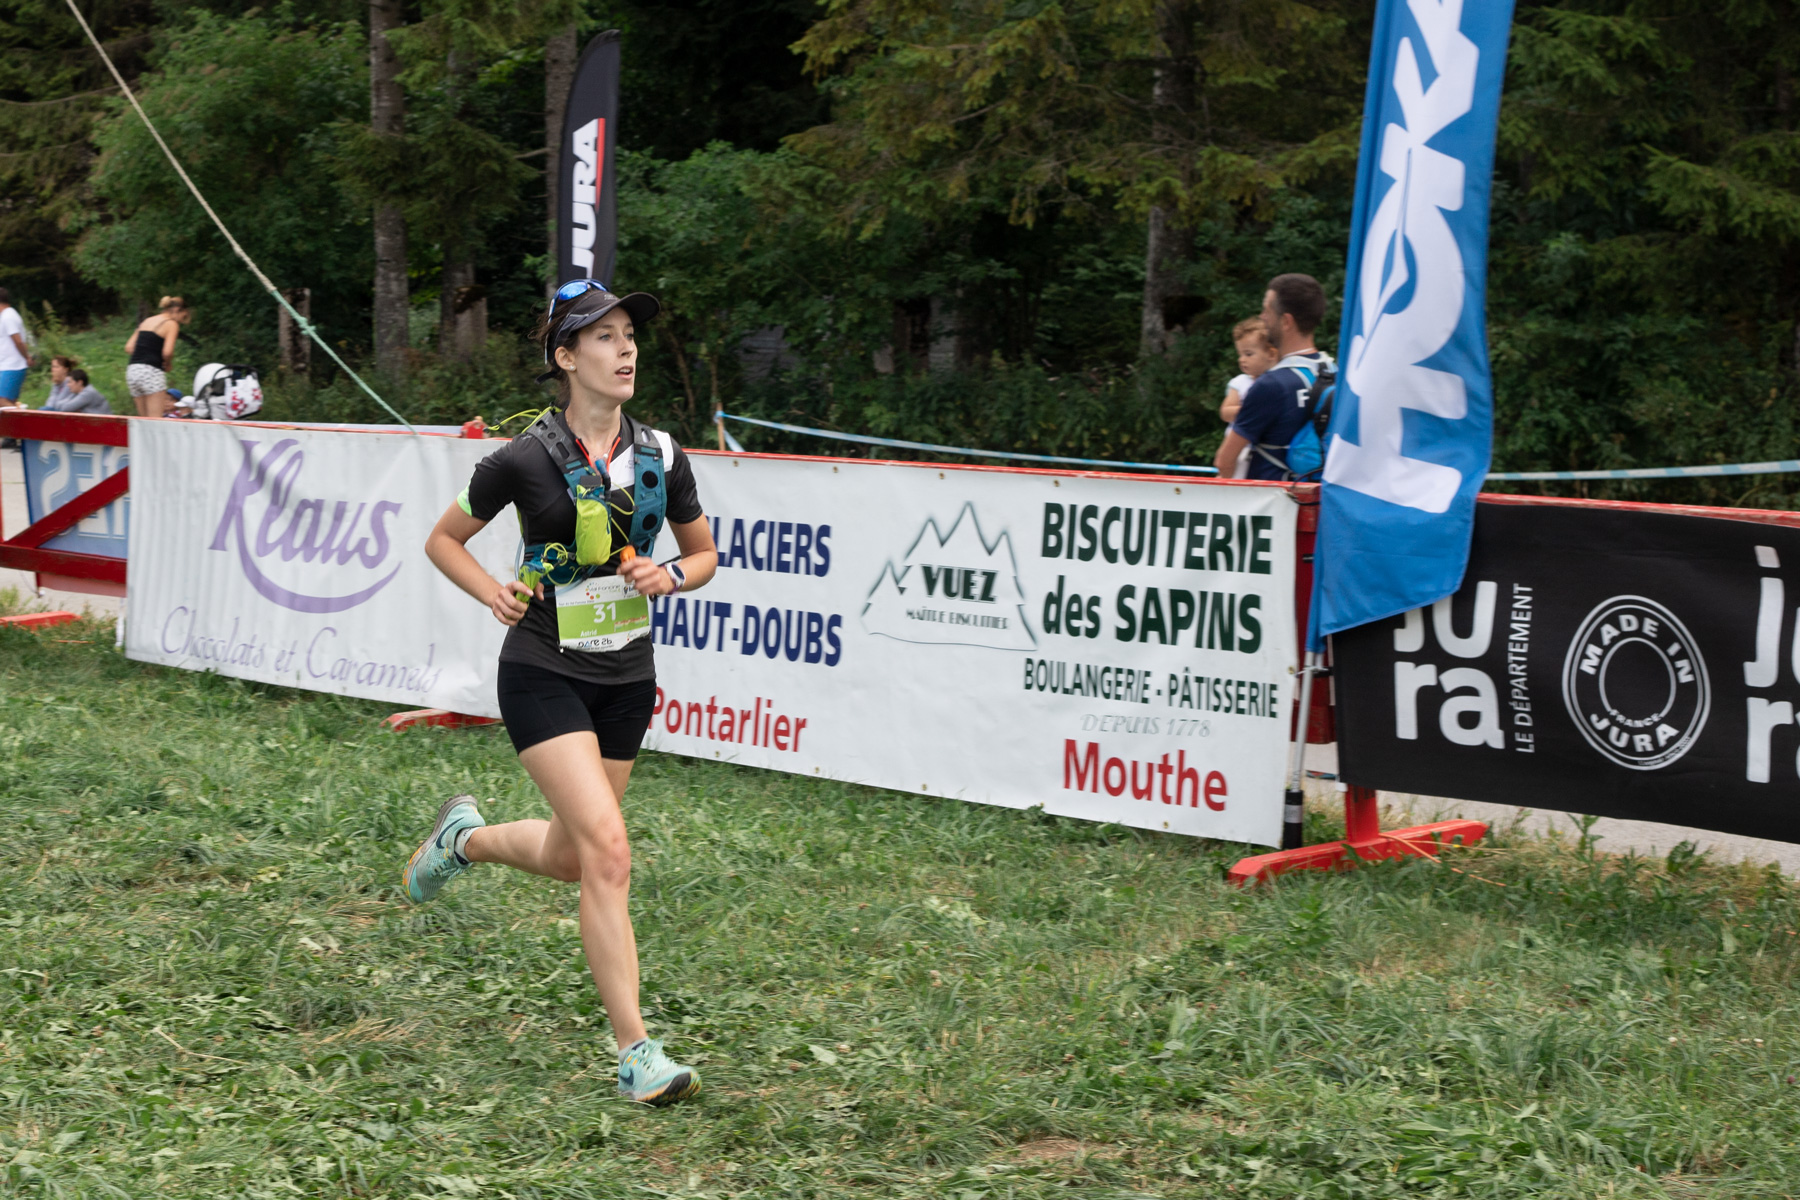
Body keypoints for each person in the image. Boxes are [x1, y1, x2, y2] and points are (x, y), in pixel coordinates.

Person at [405, 279, 719, 1107]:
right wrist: (491, 592)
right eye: (606, 337)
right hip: (542, 668)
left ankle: (462, 840)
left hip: (627, 675)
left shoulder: (662, 455)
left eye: (630, 336)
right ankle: (636, 1052)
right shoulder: (523, 457)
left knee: (574, 854)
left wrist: (669, 575)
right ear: (565, 357)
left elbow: (704, 556)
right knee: (610, 853)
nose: (627, 350)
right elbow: (444, 540)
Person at [1214, 273, 1334, 481]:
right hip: (1318, 500)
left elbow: (1225, 461)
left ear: (1286, 321)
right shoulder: (1335, 372)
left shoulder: (1272, 384)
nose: (1262, 317)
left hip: (1270, 504)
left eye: (1267, 310)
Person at [1220, 317, 1280, 480]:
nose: (1242, 359)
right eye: (1240, 354)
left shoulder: (1279, 382)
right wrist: (1253, 411)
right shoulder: (1240, 382)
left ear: (1271, 354)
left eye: (1248, 354)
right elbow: (1225, 412)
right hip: (1239, 450)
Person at [125, 296, 191, 418]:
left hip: (132, 371)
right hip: (151, 371)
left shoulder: (147, 321)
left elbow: (129, 347)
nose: (181, 322)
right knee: (155, 420)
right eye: (183, 317)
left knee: (143, 420)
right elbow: (167, 352)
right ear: (177, 310)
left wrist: (146, 350)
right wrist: (168, 363)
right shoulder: (171, 323)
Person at [0, 287, 32, 407]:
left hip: (13, 366)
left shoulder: (8, 316)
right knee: (9, 403)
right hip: (8, 366)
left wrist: (27, 357)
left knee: (2, 401)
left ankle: (25, 424)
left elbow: (18, 342)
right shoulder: (6, 316)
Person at [44, 368, 111, 415]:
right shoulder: (77, 392)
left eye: (70, 382)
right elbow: (59, 405)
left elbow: (65, 409)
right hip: (91, 423)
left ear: (79, 382)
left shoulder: (88, 393)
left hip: (101, 425)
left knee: (47, 411)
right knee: (46, 410)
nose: (68, 385)